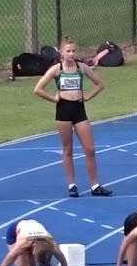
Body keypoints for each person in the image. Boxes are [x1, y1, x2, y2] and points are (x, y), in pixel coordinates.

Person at [32, 37, 112, 198]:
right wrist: (53, 98)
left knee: (90, 149)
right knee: (67, 149)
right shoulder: (57, 69)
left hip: (79, 110)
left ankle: (95, 185)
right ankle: (72, 184)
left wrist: (88, 96)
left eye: (74, 51)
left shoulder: (81, 67)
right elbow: (38, 89)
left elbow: (100, 84)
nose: (71, 54)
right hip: (63, 111)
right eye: (68, 51)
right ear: (61, 52)